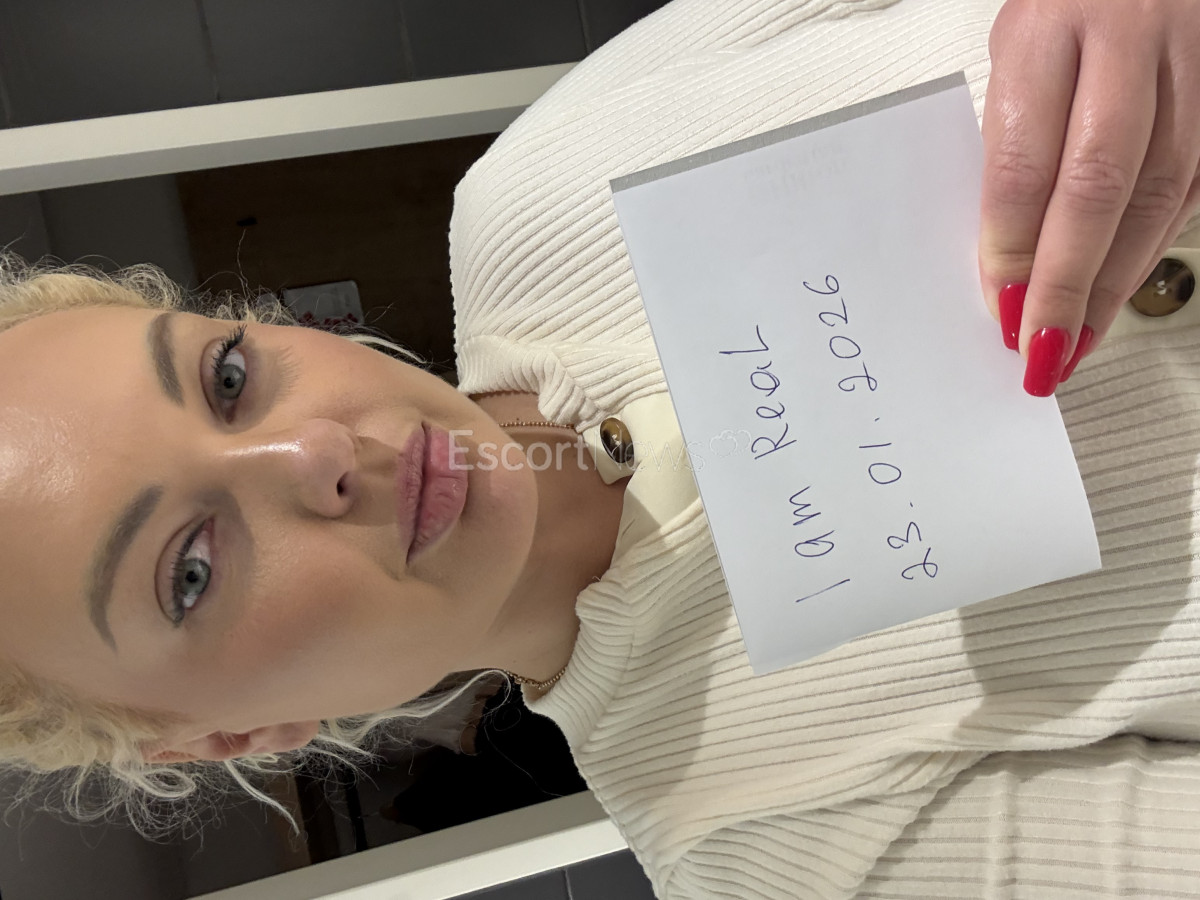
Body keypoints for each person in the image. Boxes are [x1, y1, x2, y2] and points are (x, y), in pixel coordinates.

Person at [2, 0, 1199, 896]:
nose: (310, 453)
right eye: (190, 569)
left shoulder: (546, 177)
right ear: (232, 735)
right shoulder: (775, 844)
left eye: (226, 378)